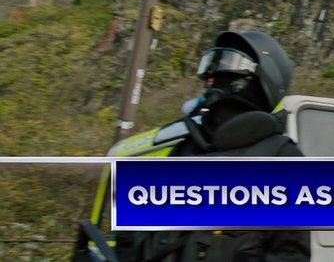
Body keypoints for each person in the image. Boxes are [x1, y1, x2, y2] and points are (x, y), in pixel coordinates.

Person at [116, 30, 310, 261]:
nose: (211, 74)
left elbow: (291, 254)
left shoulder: (283, 160)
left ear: (258, 78)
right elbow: (131, 239)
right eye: (211, 62)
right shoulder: (186, 147)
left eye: (226, 62)